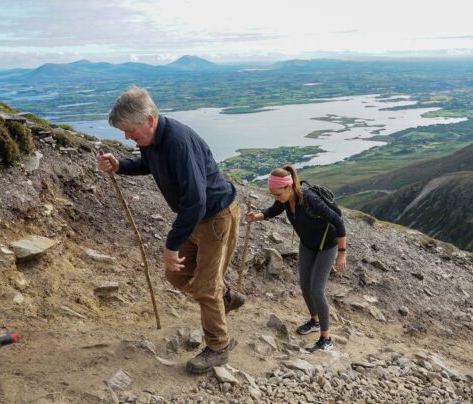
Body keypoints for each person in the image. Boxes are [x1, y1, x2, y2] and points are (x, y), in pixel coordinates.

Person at [96, 86, 245, 374]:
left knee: (204, 286)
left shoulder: (178, 142)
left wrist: (171, 245)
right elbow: (150, 164)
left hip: (216, 217)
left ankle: (219, 346)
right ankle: (223, 297)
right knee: (176, 275)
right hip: (196, 218)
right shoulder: (153, 141)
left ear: (149, 119)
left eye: (130, 131)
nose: (128, 137)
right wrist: (120, 166)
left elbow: (196, 201)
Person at [245, 165, 347, 352]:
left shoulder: (310, 200)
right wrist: (256, 217)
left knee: (317, 289)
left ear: (288, 187)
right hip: (308, 244)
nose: (276, 198)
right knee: (304, 286)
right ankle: (314, 320)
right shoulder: (284, 200)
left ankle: (326, 338)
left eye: (277, 194)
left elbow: (338, 221)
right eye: (273, 194)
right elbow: (273, 210)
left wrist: (342, 253)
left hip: (328, 245)